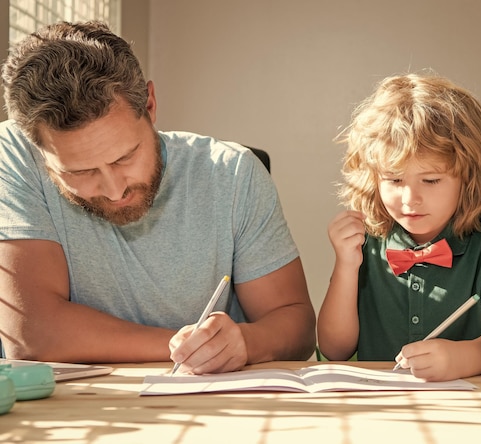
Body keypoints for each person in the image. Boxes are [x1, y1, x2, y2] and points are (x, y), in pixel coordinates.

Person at [0, 21, 316, 374]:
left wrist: (245, 343)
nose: (114, 189)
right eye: (80, 172)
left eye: (125, 157)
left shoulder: (232, 171)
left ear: (150, 105)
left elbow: (296, 325)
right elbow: (32, 335)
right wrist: (186, 349)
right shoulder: (13, 152)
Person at [317, 73, 481, 382]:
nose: (410, 198)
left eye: (430, 180)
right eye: (394, 179)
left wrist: (464, 358)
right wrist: (346, 264)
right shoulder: (366, 240)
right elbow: (334, 349)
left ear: (468, 177)